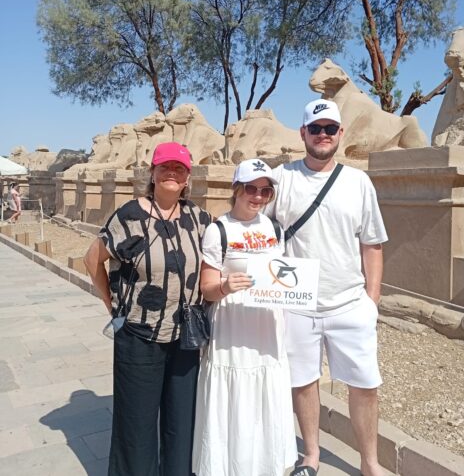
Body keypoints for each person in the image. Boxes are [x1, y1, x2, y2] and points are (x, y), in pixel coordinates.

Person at [264, 100, 388, 476]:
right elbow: (257, 230)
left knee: (364, 386)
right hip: (297, 303)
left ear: (340, 133)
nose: (322, 135)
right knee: (303, 383)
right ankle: (311, 455)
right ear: (302, 132)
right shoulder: (280, 179)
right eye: (315, 128)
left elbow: (372, 244)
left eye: (330, 128)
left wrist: (372, 301)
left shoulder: (358, 182)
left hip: (349, 302)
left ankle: (370, 462)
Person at [84, 142, 212, 476]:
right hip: (139, 335)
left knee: (181, 421)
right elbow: (92, 259)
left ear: (187, 177)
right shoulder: (130, 215)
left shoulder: (199, 219)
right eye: (165, 167)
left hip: (185, 338)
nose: (172, 173)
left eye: (179, 168)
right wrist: (111, 303)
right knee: (136, 425)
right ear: (153, 173)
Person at [192, 159, 297, 476]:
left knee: (265, 394)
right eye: (251, 188)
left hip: (266, 324)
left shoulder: (274, 229)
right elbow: (207, 288)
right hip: (232, 326)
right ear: (236, 189)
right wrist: (225, 286)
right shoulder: (218, 230)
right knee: (234, 397)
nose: (258, 196)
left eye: (266, 191)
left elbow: (283, 277)